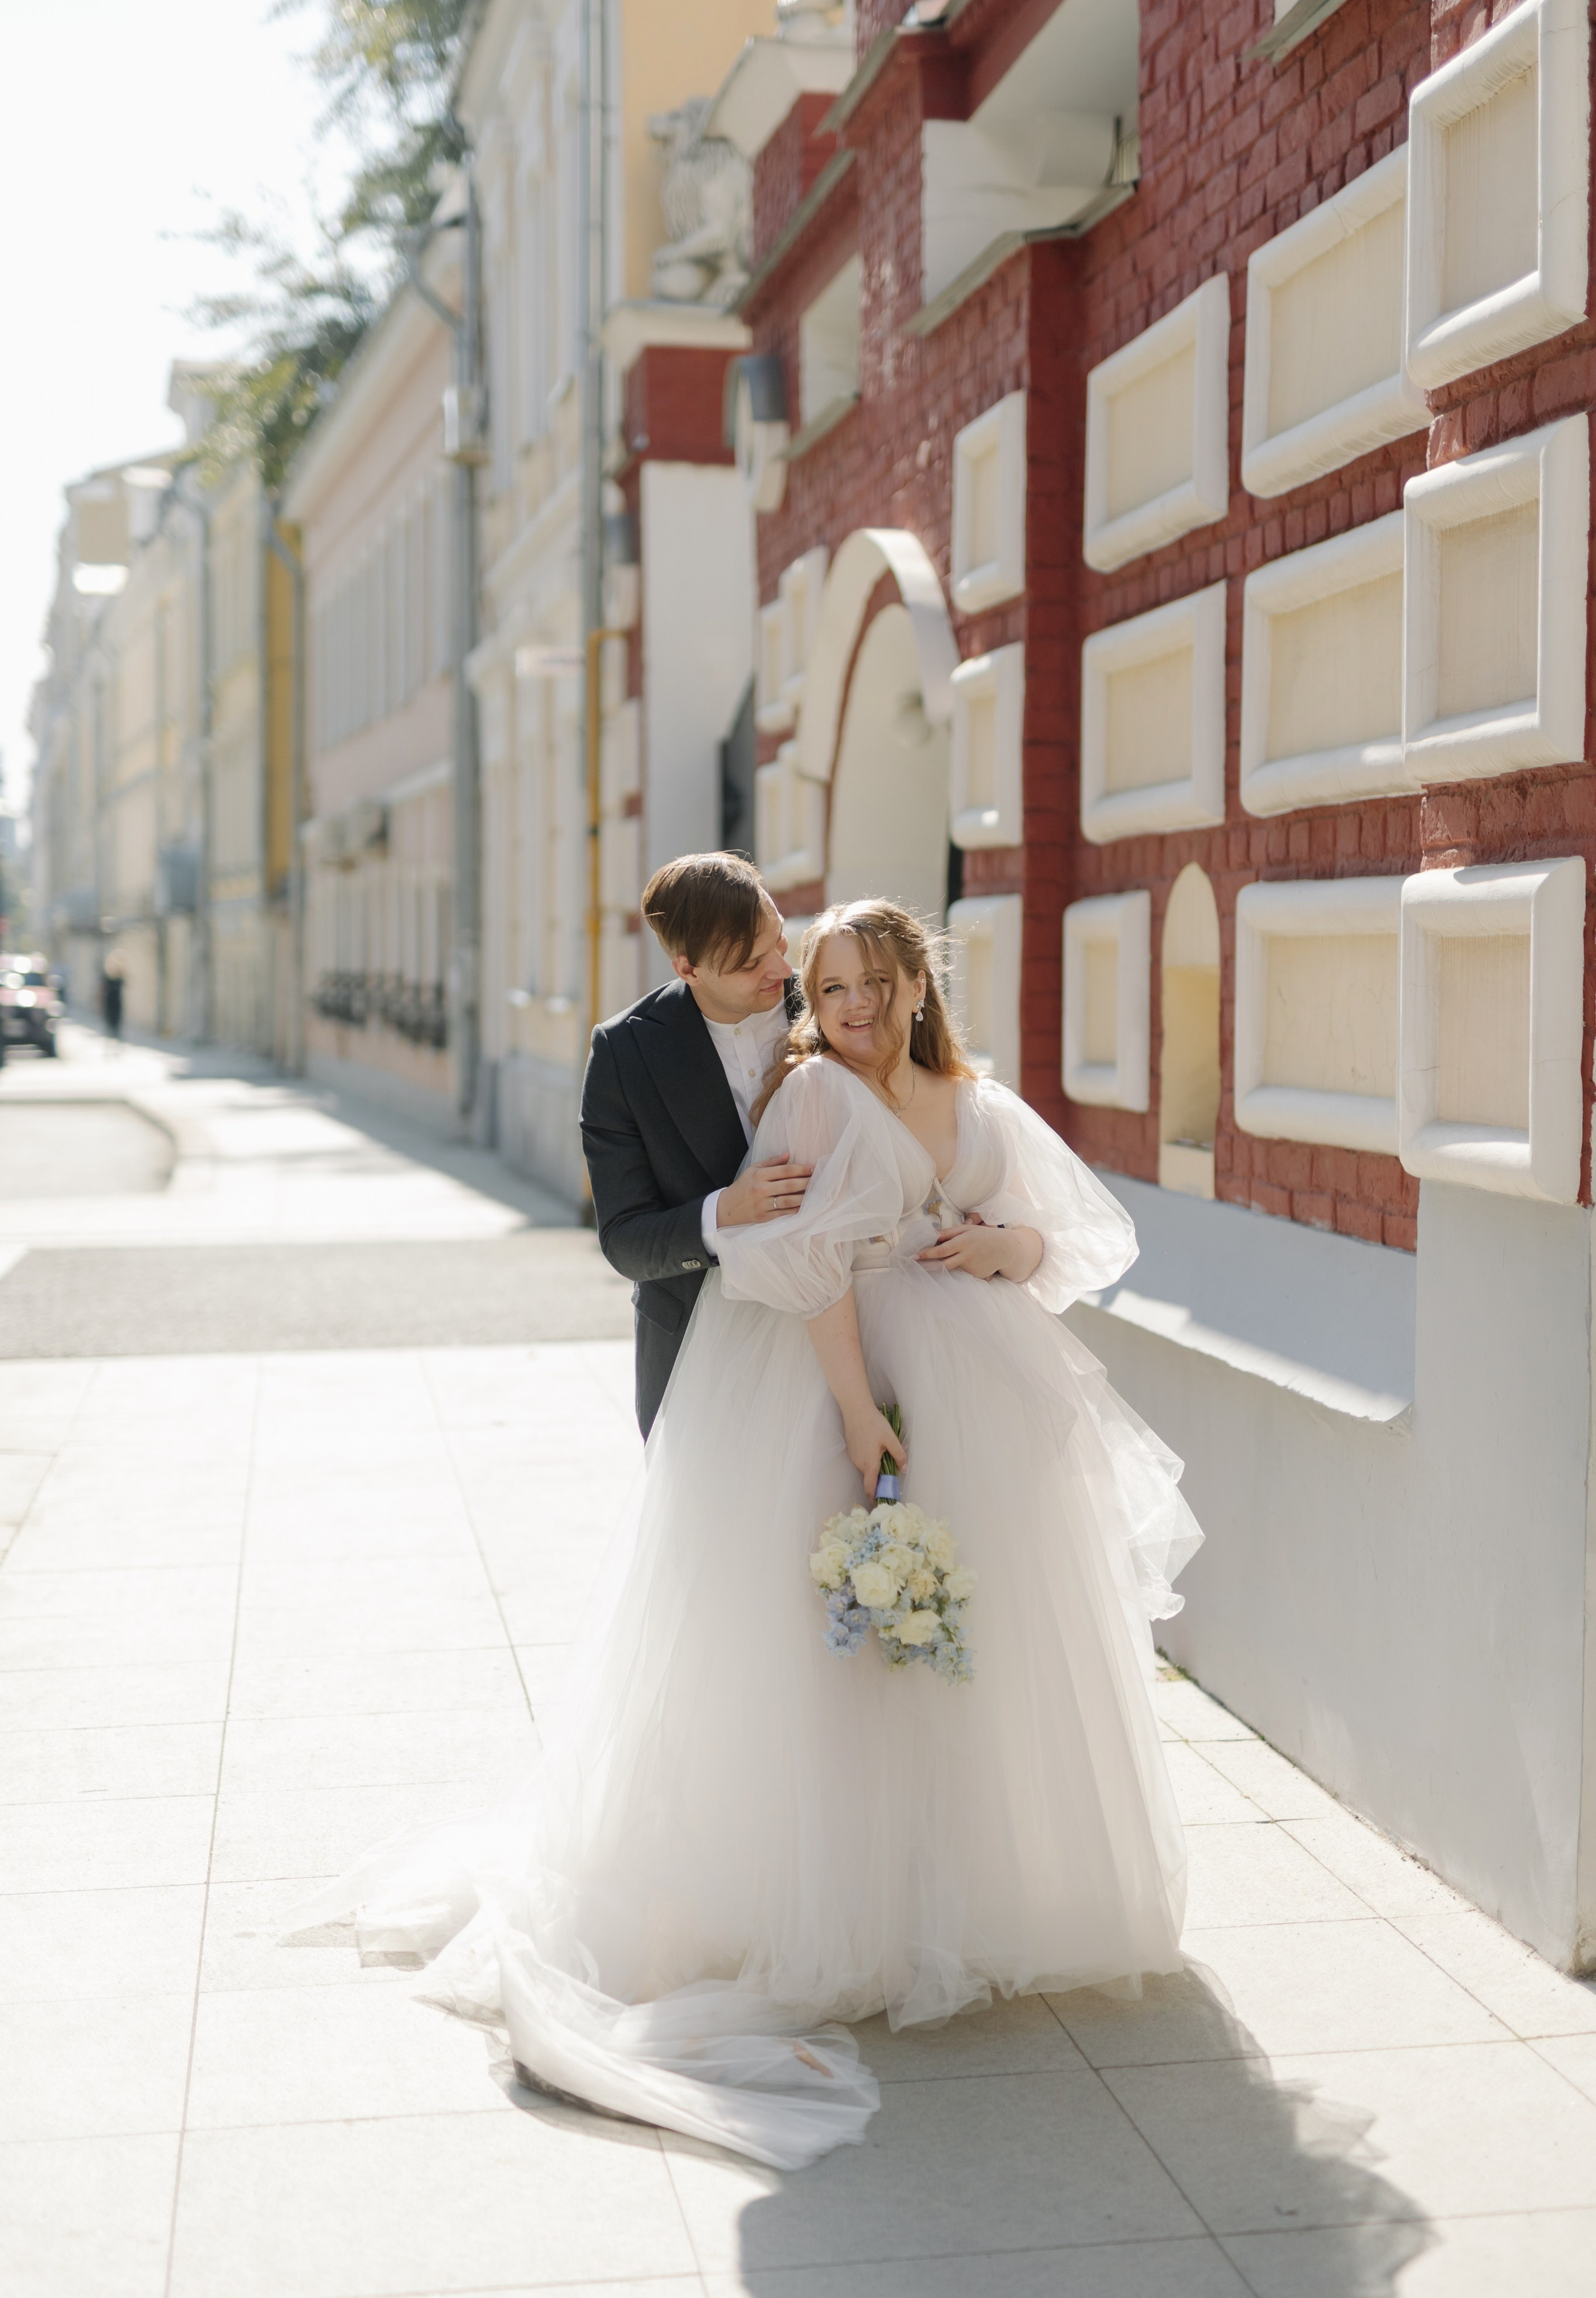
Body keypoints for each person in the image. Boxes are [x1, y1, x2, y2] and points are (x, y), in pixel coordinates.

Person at [297, 899, 1201, 2169]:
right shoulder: (816, 1101)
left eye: (875, 986)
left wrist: (1003, 1242)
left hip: (982, 1390)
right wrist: (853, 1415)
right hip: (842, 1389)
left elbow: (1077, 1241)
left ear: (916, 988)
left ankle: (957, 1897)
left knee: (972, 1644)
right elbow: (798, 1265)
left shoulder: (980, 1103)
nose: (853, 1010)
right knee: (839, 1649)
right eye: (829, 990)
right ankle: (847, 1914)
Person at [580, 851, 814, 1436]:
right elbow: (626, 1240)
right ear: (688, 969)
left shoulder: (830, 1006)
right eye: (750, 964)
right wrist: (725, 1212)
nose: (782, 971)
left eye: (780, 943)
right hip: (697, 1356)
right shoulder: (624, 1054)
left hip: (839, 1339)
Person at [100, 954, 125, 1041]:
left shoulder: (120, 978)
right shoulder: (107, 978)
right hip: (109, 1003)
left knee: (117, 1026)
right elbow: (102, 991)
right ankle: (109, 1043)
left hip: (117, 1003)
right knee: (109, 1025)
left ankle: (117, 1043)